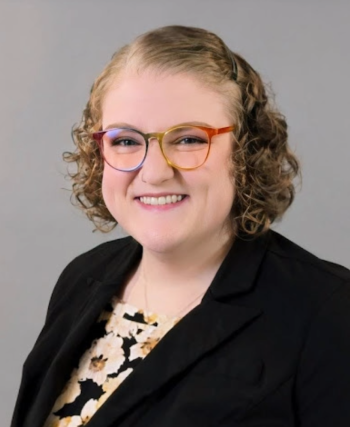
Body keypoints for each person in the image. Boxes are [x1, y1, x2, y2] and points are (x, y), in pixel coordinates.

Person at [11, 25, 350, 427]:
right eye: (125, 141)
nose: (154, 172)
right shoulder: (82, 277)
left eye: (188, 139)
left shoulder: (328, 312)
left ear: (246, 151)